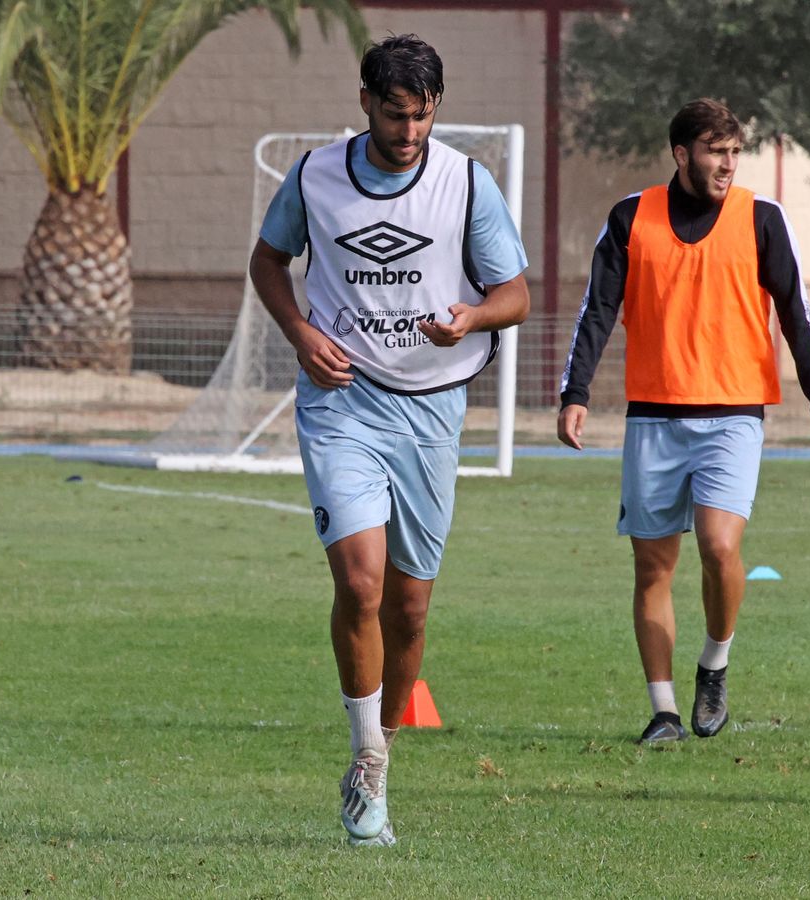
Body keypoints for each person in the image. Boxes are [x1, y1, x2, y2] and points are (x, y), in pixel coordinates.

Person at [249, 34, 529, 846]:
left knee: (409, 609)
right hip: (342, 402)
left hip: (434, 410)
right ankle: (365, 760)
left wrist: (470, 318)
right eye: (396, 114)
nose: (409, 131)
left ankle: (387, 749)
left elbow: (515, 293)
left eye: (423, 115)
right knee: (362, 586)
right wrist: (300, 331)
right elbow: (269, 262)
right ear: (365, 101)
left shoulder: (467, 184)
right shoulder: (315, 176)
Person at [557, 98, 810, 744]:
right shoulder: (631, 218)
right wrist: (575, 392)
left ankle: (713, 664)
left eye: (735, 152)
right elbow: (597, 311)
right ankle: (662, 713)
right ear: (682, 154)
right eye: (717, 152)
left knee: (719, 548)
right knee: (653, 570)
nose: (728, 164)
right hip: (653, 419)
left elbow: (798, 314)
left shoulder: (761, 219)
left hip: (734, 416)